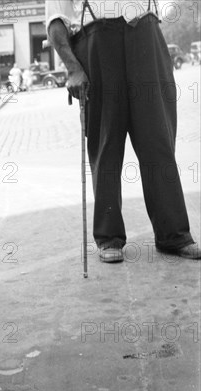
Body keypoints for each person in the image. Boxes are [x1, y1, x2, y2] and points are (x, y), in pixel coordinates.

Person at [46, 0, 200, 262]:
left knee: (158, 140)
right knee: (106, 144)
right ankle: (109, 238)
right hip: (98, 44)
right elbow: (55, 22)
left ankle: (173, 235)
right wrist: (73, 68)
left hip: (146, 38)